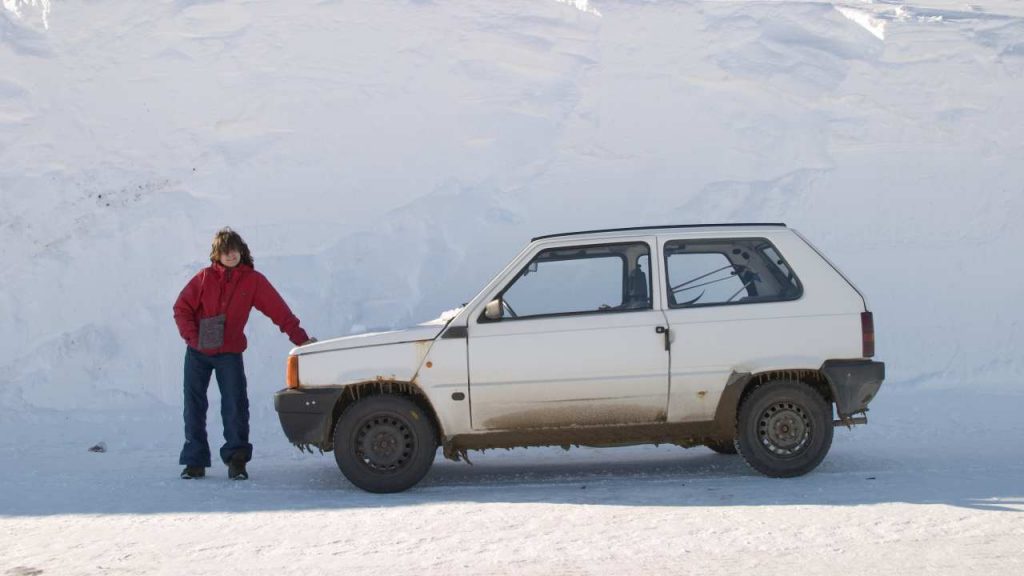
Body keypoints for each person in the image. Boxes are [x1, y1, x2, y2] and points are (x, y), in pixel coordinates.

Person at [173, 227, 314, 480]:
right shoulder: (204, 278)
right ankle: (195, 462)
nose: (230, 255)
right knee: (194, 405)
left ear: (242, 252)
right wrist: (194, 340)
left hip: (230, 353)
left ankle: (237, 461)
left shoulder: (253, 281)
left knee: (235, 405)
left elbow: (279, 311)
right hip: (197, 353)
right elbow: (181, 308)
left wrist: (301, 339)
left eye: (234, 250)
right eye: (225, 251)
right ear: (216, 254)